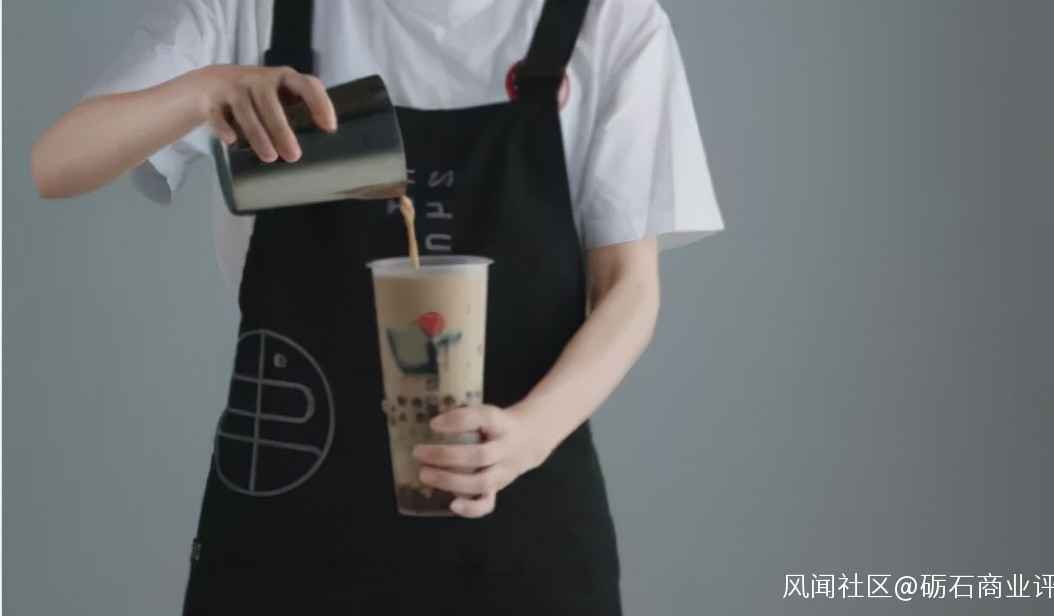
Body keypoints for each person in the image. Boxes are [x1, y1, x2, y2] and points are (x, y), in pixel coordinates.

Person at [31, 0, 724, 614]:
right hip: (286, 546)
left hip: (524, 545)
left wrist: (530, 434)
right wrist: (206, 88)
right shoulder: (249, 9)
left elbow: (629, 289)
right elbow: (56, 164)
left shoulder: (609, 21)